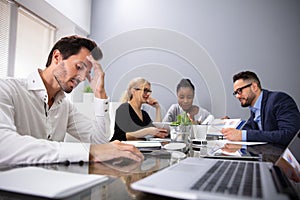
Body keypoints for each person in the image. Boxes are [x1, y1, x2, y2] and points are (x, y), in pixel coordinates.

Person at [0, 35, 143, 165]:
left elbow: (99, 141)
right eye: (79, 67)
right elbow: (4, 145)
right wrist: (89, 152)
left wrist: (100, 93)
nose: (82, 78)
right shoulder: (7, 89)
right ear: (57, 57)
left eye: (86, 73)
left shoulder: (65, 107)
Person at [221, 71, 300, 146]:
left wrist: (243, 135)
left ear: (254, 87)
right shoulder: (255, 109)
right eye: (235, 93)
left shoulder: (279, 100)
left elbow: (289, 135)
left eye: (239, 91)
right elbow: (246, 130)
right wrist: (229, 126)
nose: (237, 96)